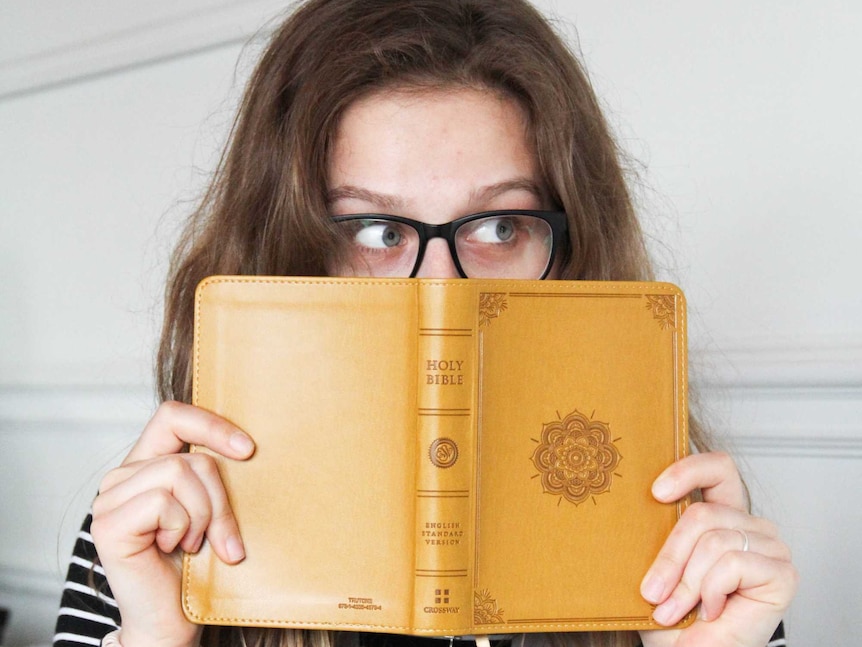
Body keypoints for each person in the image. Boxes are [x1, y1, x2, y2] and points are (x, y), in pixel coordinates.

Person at [53, 1, 798, 646]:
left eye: (502, 226)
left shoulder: (679, 533)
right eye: (376, 233)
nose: (442, 290)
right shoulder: (157, 529)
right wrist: (151, 638)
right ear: (288, 252)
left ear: (574, 247)